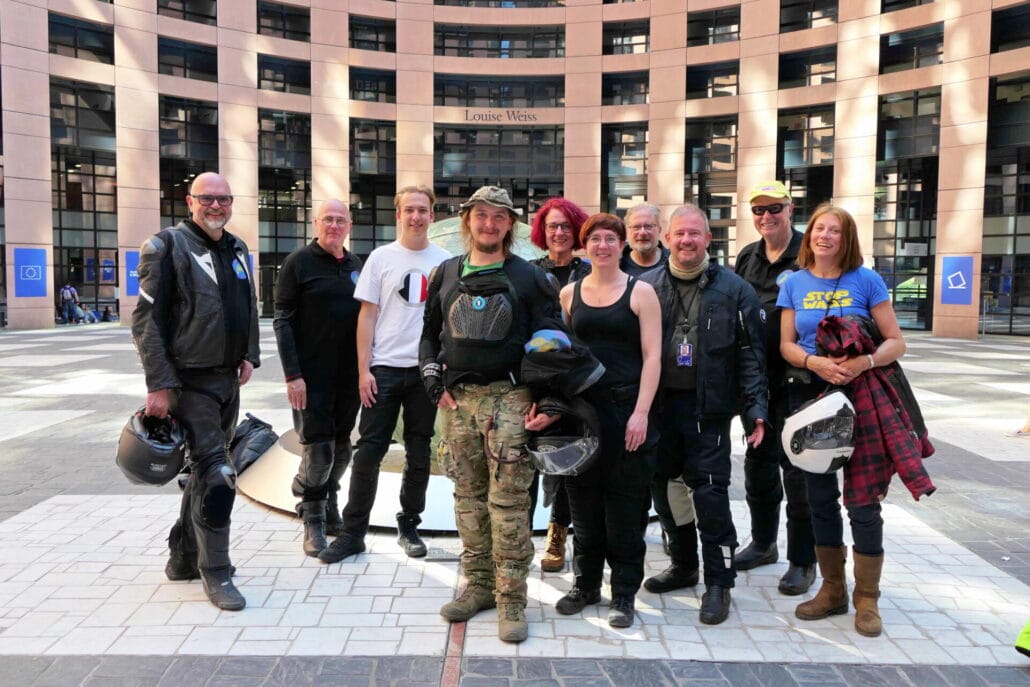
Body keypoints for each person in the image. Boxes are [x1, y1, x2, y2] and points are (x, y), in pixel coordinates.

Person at [778, 203, 933, 637]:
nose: (824, 236)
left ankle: (867, 598)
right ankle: (832, 589)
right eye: (818, 229)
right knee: (820, 498)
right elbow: (787, 344)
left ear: (847, 239)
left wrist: (864, 361)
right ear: (809, 236)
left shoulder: (867, 280)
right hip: (814, 399)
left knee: (863, 501)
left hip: (863, 398)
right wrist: (814, 362)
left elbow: (896, 342)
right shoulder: (794, 283)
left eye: (835, 230)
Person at [419, 185, 562, 643]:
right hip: (458, 403)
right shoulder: (445, 273)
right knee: (467, 498)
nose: (489, 223)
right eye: (481, 215)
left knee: (509, 503)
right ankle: (479, 585)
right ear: (467, 220)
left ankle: (511, 598)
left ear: (510, 225)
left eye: (499, 216)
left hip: (510, 400)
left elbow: (552, 340)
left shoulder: (530, 277)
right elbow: (429, 335)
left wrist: (547, 400)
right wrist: (432, 381)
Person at [131, 172, 260, 611]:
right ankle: (215, 572)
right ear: (190, 201)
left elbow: (248, 305)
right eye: (207, 198)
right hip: (188, 382)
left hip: (227, 381)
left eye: (224, 198)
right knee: (220, 476)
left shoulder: (237, 248)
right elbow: (146, 322)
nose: (216, 205)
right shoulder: (165, 246)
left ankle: (183, 557)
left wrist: (249, 353)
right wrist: (159, 384)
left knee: (206, 472)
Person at [640, 204, 768, 625]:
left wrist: (756, 411)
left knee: (710, 494)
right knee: (665, 489)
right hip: (659, 409)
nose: (686, 240)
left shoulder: (735, 290)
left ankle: (719, 582)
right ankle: (683, 565)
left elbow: (751, 357)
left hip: (708, 410)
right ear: (667, 238)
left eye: (695, 233)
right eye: (679, 233)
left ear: (708, 239)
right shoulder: (645, 287)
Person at [318, 185, 449, 564]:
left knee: (419, 452)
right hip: (384, 371)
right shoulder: (380, 258)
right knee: (369, 453)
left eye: (422, 210)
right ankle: (352, 532)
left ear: (432, 215)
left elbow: (448, 321)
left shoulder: (446, 261)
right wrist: (364, 370)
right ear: (398, 215)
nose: (416, 217)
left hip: (425, 372)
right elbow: (367, 316)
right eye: (409, 210)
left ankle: (409, 525)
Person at [554, 213, 661, 628]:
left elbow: (653, 357)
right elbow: (561, 358)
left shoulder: (641, 292)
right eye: (595, 239)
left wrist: (641, 413)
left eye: (610, 239)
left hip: (625, 412)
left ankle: (624, 592)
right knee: (582, 506)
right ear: (585, 247)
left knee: (624, 509)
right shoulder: (569, 294)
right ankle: (585, 584)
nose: (602, 246)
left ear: (622, 245)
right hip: (582, 415)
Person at [733, 181, 816, 595]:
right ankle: (764, 543)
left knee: (800, 472)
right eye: (758, 210)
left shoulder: (809, 253)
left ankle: (803, 559)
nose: (766, 217)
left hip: (800, 382)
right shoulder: (747, 256)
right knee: (759, 467)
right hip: (757, 382)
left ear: (790, 209)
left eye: (774, 209)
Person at [273, 199, 362, 558]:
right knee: (319, 449)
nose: (334, 226)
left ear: (349, 225)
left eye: (340, 220)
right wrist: (293, 375)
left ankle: (328, 500)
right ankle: (312, 516)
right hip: (310, 377)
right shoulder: (298, 263)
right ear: (315, 223)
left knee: (342, 448)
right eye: (328, 219)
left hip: (349, 376)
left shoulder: (357, 266)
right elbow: (282, 321)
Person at [528, 197, 591, 573]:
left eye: (566, 226)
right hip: (535, 377)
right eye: (552, 225)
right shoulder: (529, 272)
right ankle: (520, 535)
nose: (559, 232)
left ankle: (557, 534)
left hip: (575, 380)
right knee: (527, 456)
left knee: (566, 458)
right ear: (542, 230)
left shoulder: (589, 271)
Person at [619, 203, 669, 276]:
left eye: (648, 226)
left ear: (659, 230)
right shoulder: (616, 265)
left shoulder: (674, 263)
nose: (642, 232)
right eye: (636, 227)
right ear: (627, 231)